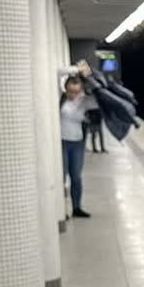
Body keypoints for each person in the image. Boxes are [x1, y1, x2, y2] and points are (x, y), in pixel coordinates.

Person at [59, 73, 91, 218]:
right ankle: (62, 210)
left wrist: (87, 74)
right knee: (62, 176)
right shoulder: (60, 100)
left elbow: (98, 97)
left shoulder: (83, 100)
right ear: (65, 89)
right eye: (70, 91)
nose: (73, 95)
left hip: (77, 142)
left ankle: (76, 207)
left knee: (76, 177)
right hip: (62, 142)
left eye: (76, 91)